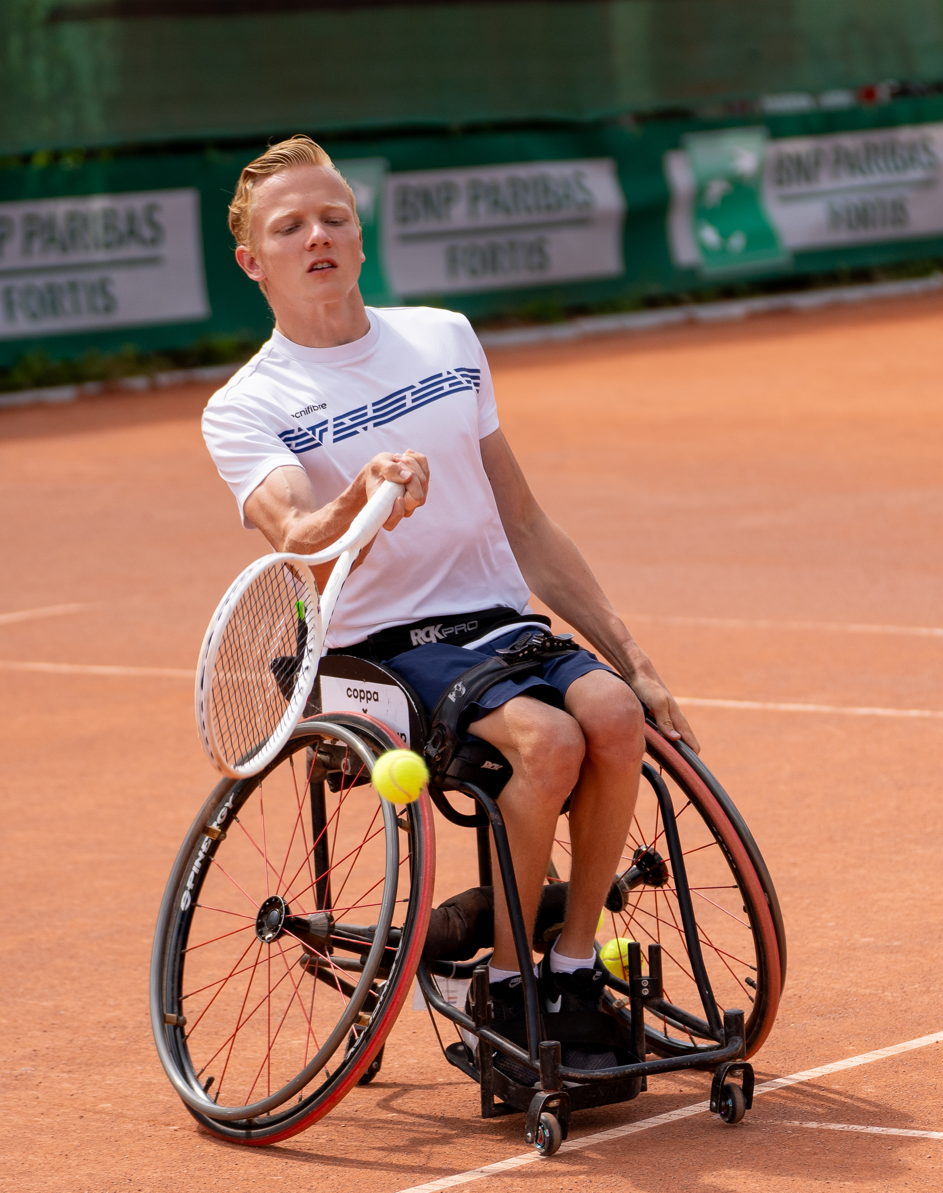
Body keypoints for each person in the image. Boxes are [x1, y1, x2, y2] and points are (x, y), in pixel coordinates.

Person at [199, 135, 697, 1045]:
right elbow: (300, 543)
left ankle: (571, 969)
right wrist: (361, 494)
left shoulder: (445, 337)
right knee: (549, 739)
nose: (318, 236)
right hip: (374, 648)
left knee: (618, 714)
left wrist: (636, 658)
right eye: (290, 226)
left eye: (334, 217)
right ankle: (506, 988)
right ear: (252, 262)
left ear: (360, 235)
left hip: (497, 622)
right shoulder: (245, 405)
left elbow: (527, 521)